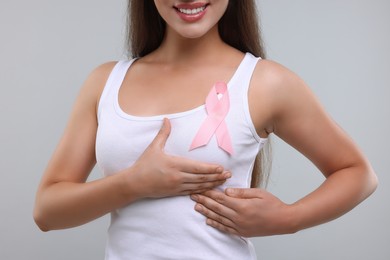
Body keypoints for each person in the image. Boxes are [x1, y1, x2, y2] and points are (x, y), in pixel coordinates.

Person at [33, 0, 378, 259]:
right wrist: (133, 183)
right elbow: (47, 212)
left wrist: (289, 219)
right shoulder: (105, 82)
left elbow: (358, 174)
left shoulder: (264, 83)